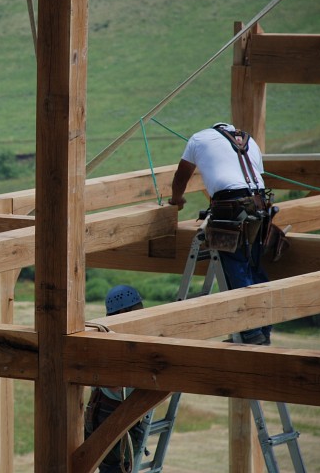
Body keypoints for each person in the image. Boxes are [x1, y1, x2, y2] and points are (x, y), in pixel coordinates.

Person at [168, 122, 272, 345]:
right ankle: (264, 328)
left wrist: (177, 200)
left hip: (230, 206)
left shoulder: (198, 138)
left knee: (235, 263)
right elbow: (253, 178)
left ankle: (251, 330)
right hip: (260, 204)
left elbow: (181, 175)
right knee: (253, 263)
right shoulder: (248, 139)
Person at [84, 285, 146, 473]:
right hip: (104, 420)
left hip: (116, 426)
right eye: (138, 307)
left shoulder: (132, 338)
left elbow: (116, 384)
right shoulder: (116, 336)